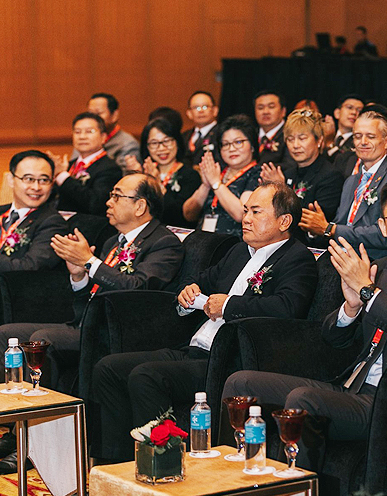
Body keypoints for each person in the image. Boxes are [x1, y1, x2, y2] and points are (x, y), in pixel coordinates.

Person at [222, 171, 387, 470]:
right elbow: (333, 338)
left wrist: (369, 292)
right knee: (240, 382)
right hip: (351, 385)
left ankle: (291, 495)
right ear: (383, 227)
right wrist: (351, 308)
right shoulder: (378, 269)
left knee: (304, 400)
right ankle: (228, 482)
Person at [87, 182, 319, 461]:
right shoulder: (238, 252)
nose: (245, 218)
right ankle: (116, 462)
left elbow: (287, 308)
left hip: (229, 360)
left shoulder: (297, 258)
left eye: (256, 212)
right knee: (108, 368)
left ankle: (165, 465)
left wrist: (229, 306)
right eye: (245, 210)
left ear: (284, 221)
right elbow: (199, 280)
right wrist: (188, 291)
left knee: (146, 376)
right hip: (195, 348)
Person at [0, 174, 183, 393]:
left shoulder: (164, 243)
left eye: (117, 196)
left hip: (117, 332)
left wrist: (89, 261)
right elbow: (93, 293)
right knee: (6, 334)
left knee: (43, 339)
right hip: (87, 322)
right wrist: (79, 275)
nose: (108, 202)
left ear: (140, 206)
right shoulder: (114, 241)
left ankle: (44, 411)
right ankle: (10, 403)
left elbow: (138, 287)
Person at [298, 110, 387, 259]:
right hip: (340, 256)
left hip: (375, 261)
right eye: (358, 136)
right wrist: (315, 228)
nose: (363, 142)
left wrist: (330, 229)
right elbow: (339, 224)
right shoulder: (351, 181)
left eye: (370, 136)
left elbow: (386, 233)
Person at [259, 109, 344, 246]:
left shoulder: (331, 176)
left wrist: (282, 190)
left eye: (302, 138)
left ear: (319, 141)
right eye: (290, 139)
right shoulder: (288, 173)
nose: (296, 145)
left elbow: (310, 223)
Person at [183, 115, 262, 238]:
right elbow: (188, 214)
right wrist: (206, 185)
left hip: (234, 243)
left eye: (238, 142)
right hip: (203, 240)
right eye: (225, 144)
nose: (231, 149)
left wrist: (216, 184)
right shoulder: (217, 171)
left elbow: (241, 214)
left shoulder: (259, 173)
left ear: (252, 145)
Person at [0, 151, 66, 273]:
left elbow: (30, 267)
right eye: (29, 179)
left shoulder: (53, 223)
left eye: (44, 180)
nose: (36, 187)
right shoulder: (2, 212)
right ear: (11, 180)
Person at [53, 112, 122, 216]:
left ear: (103, 137)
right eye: (77, 132)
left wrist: (62, 176)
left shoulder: (110, 168)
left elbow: (95, 204)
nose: (82, 136)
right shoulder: (68, 165)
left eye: (89, 131)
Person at [140, 117, 202, 228]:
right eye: (154, 143)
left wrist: (157, 184)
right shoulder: (143, 174)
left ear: (177, 142)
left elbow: (179, 216)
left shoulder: (190, 175)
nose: (161, 148)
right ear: (147, 147)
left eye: (166, 141)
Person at [83, 93, 140, 173]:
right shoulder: (83, 140)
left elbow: (124, 177)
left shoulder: (128, 144)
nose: (94, 118)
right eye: (90, 114)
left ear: (114, 115)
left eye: (98, 113)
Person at [327, 94, 365, 177]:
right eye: (349, 107)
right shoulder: (326, 135)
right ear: (337, 113)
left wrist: (329, 144)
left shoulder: (360, 143)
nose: (354, 113)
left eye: (359, 110)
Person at [254, 90, 293, 168]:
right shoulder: (250, 134)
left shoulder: (291, 134)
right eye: (260, 108)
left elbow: (290, 166)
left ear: (283, 111)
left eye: (271, 107)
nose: (265, 112)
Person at [183, 91, 219, 165]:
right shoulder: (184, 136)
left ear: (215, 110)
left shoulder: (222, 133)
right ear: (189, 113)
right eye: (196, 108)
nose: (201, 111)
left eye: (205, 107)